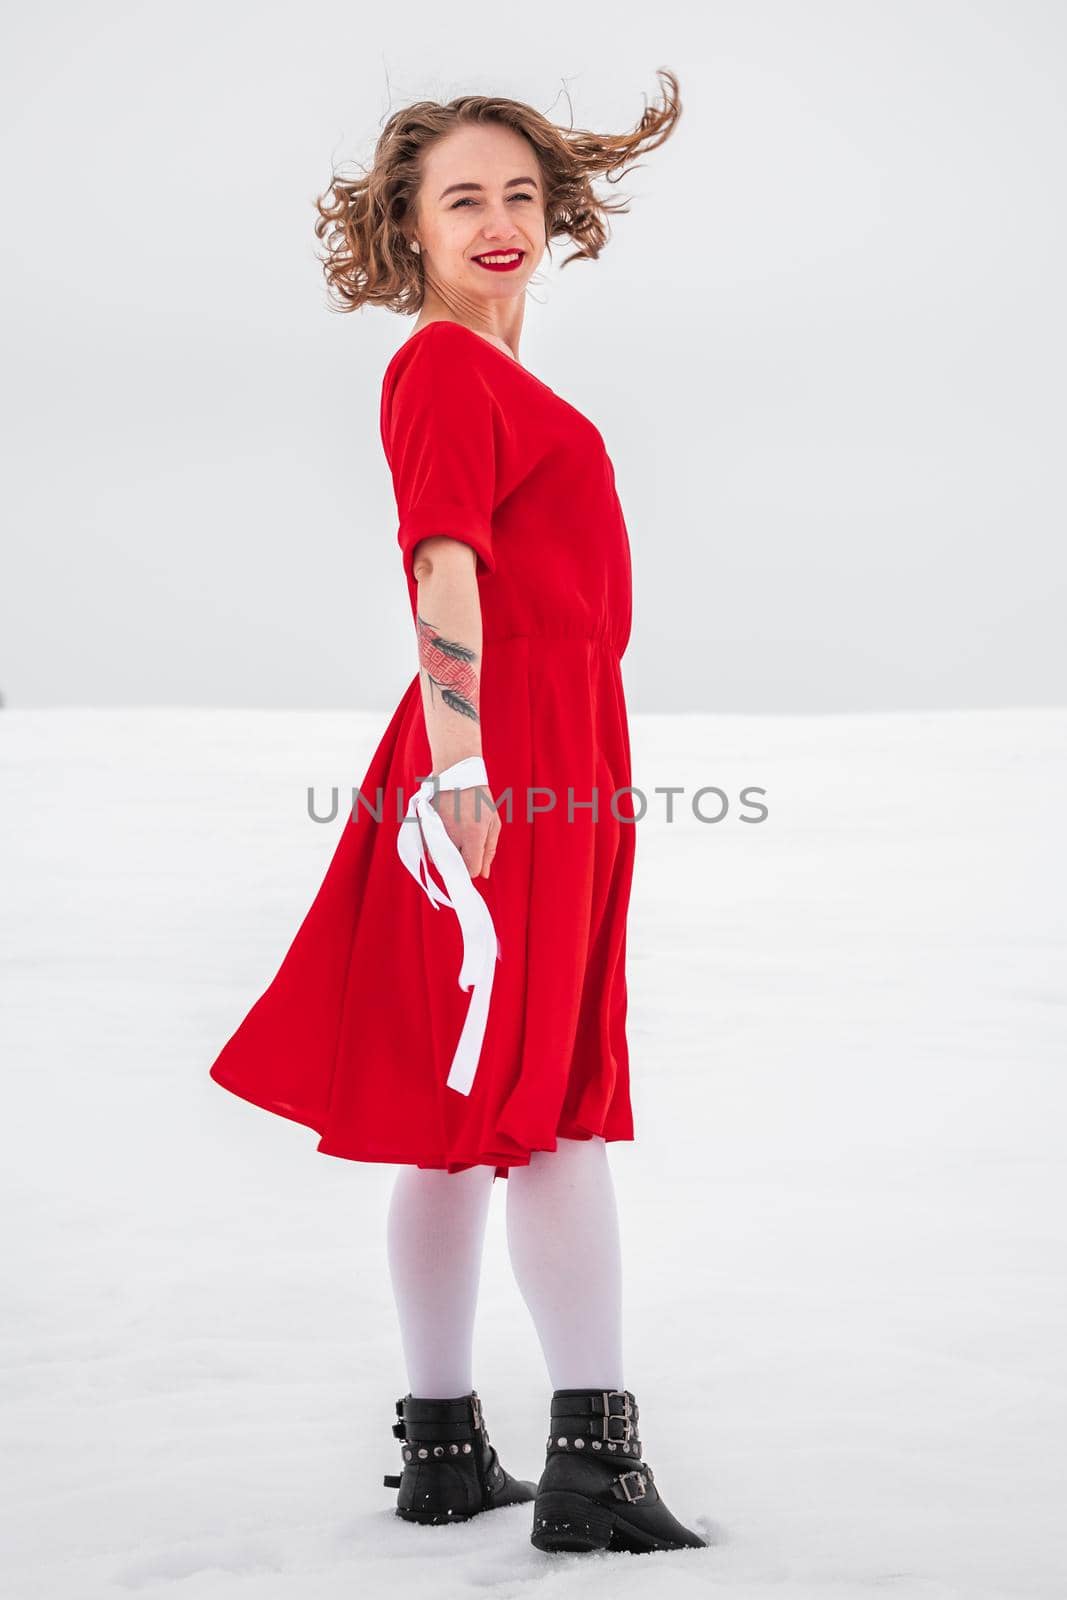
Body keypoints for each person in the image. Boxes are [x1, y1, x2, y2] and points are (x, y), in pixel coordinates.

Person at [209, 68, 706, 1555]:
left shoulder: (497, 377)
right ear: (408, 229)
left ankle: (442, 1453)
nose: (497, 224)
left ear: (553, 214)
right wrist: (471, 772)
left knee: (460, 1117)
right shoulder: (442, 369)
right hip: (506, 755)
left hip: (549, 746)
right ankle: (595, 1465)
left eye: (518, 195)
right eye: (460, 200)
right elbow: (442, 573)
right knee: (551, 1104)